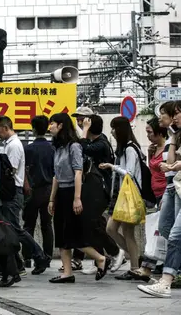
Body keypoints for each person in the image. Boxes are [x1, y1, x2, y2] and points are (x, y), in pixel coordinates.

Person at [48, 113, 110, 284]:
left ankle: (101, 259)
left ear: (61, 125)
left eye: (52, 123)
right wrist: (52, 199)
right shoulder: (59, 147)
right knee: (61, 235)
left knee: (73, 235)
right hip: (61, 192)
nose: (50, 127)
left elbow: (78, 172)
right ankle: (67, 273)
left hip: (71, 192)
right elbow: (56, 175)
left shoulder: (74, 146)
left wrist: (77, 198)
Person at [0, 116, 49, 285]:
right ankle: (17, 263)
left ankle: (39, 256)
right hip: (11, 192)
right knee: (11, 229)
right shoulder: (10, 144)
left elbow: (11, 172)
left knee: (15, 229)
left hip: (12, 192)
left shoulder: (14, 146)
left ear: (5, 128)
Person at [137, 101, 181, 297]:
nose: (161, 117)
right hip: (173, 187)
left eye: (166, 113)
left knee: (175, 236)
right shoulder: (175, 136)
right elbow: (170, 162)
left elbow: (171, 164)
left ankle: (166, 281)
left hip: (174, 186)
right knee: (165, 227)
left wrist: (173, 167)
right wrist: (173, 139)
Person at [99, 116, 144, 280]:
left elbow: (129, 174)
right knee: (111, 229)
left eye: (114, 128)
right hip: (120, 196)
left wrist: (113, 167)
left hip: (129, 195)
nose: (112, 131)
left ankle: (134, 267)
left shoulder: (131, 149)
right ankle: (135, 259)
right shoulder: (123, 148)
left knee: (127, 232)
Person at [77, 115, 122, 275]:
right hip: (94, 188)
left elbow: (82, 147)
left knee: (93, 223)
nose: (81, 125)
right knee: (95, 224)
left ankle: (115, 252)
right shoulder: (97, 142)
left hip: (100, 189)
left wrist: (85, 130)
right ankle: (100, 260)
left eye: (84, 124)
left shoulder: (101, 144)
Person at [22, 116, 55, 268]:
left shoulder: (28, 149)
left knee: (28, 225)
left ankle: (27, 257)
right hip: (49, 190)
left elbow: (23, 170)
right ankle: (47, 256)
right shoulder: (52, 148)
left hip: (31, 191)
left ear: (33, 129)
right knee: (46, 225)